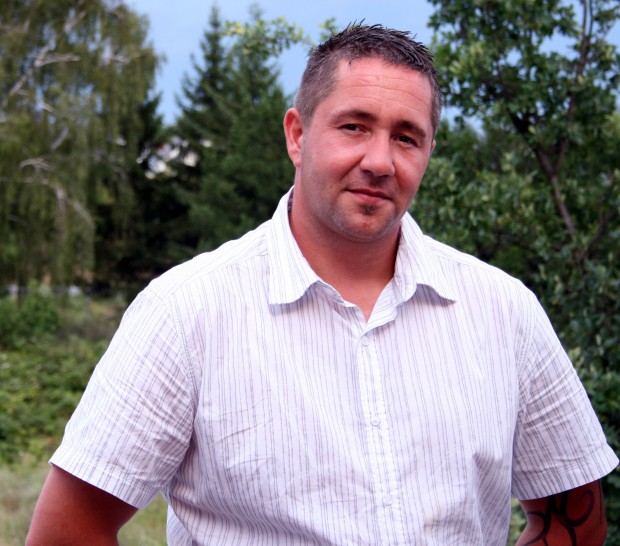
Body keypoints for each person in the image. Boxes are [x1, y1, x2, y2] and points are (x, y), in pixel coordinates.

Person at [28, 24, 617, 545]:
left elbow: (577, 520)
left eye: (406, 136)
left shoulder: (505, 312)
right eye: (354, 126)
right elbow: (67, 531)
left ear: (429, 151)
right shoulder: (187, 312)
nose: (380, 161)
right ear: (297, 134)